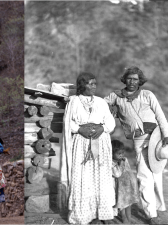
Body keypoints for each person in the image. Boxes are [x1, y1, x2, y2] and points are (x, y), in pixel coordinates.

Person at [104, 67, 168, 225]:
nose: (132, 82)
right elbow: (101, 103)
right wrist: (110, 108)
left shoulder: (147, 95)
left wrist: (167, 135)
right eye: (129, 78)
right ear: (125, 79)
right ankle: (151, 215)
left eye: (135, 79)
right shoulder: (116, 96)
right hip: (139, 140)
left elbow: (160, 116)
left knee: (156, 174)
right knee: (144, 176)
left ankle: (156, 208)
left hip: (157, 137)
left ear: (140, 81)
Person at [61, 72, 115, 224]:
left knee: (101, 176)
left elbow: (110, 123)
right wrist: (79, 129)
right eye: (90, 83)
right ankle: (84, 215)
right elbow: (68, 122)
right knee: (83, 177)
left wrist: (102, 128)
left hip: (101, 141)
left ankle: (103, 214)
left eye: (95, 83)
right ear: (81, 85)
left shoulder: (101, 102)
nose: (94, 86)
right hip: (81, 143)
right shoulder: (74, 101)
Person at [111, 140, 138, 224]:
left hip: (127, 185)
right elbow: (117, 174)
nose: (121, 155)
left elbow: (128, 170)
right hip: (119, 187)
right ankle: (124, 218)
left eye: (122, 153)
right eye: (119, 153)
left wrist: (133, 182)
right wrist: (119, 164)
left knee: (129, 202)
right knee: (122, 204)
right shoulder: (112, 163)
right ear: (111, 153)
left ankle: (129, 218)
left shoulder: (124, 159)